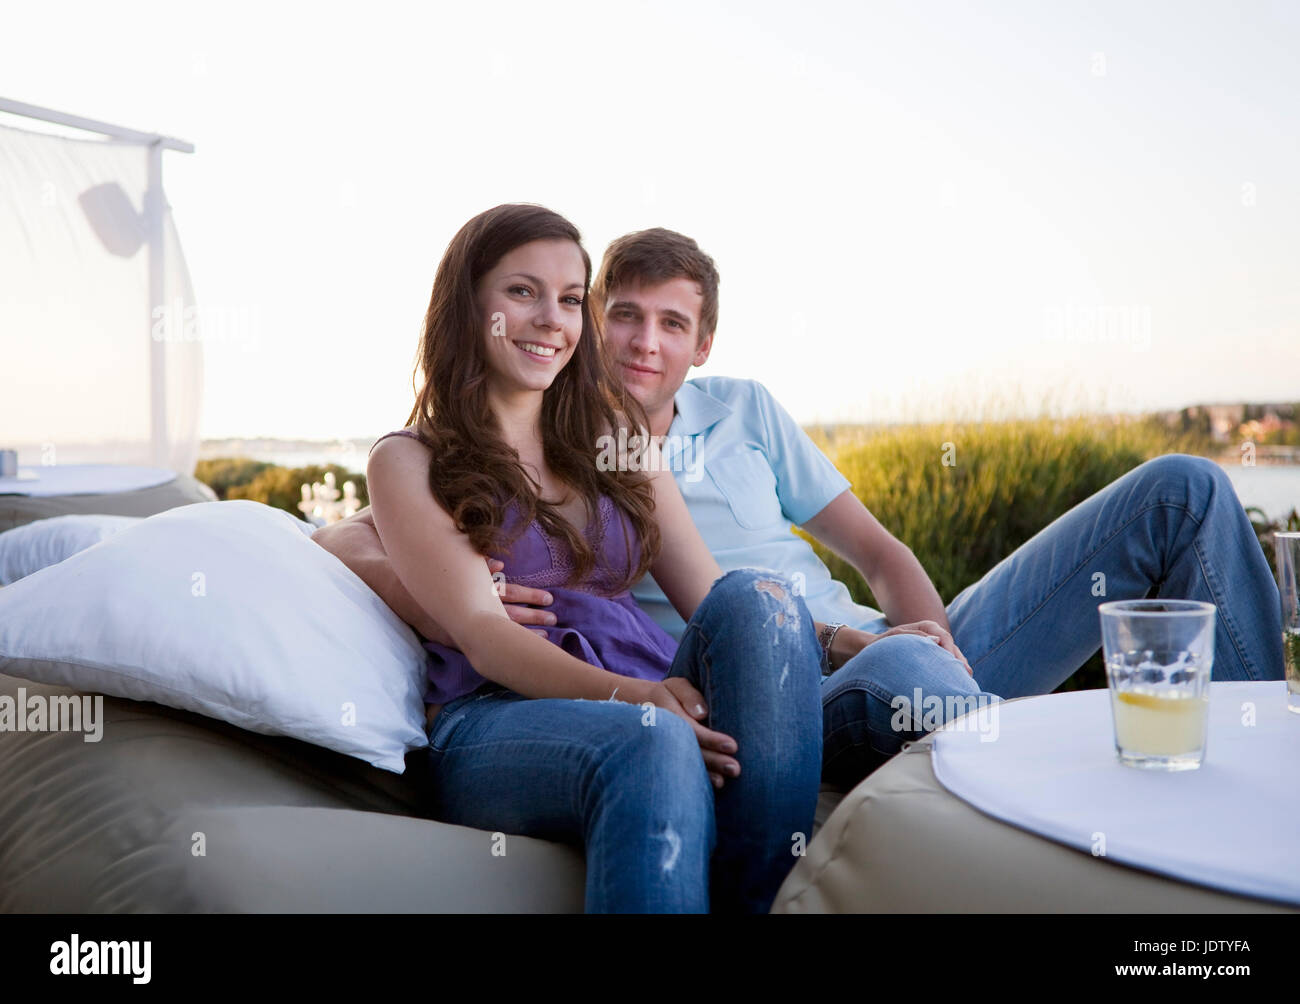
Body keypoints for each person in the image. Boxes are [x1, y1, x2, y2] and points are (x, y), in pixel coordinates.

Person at [320, 225, 1284, 793]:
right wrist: (416, 587)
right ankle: (1072, 778)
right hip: (796, 689)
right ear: (583, 322)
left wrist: (927, 633)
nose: (643, 342)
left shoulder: (744, 409)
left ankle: (1259, 759)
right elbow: (358, 530)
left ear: (703, 343)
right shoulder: (556, 458)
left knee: (1183, 487)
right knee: (859, 649)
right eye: (618, 313)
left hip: (899, 650)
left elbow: (876, 546)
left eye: (672, 324)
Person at [360, 203, 823, 914]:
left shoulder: (617, 437)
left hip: (651, 683)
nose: (552, 318)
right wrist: (639, 701)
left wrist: (834, 640)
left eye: (572, 300)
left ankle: (750, 896)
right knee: (651, 742)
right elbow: (485, 638)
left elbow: (710, 594)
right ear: (467, 304)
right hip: (498, 718)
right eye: (522, 292)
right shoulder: (408, 460)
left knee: (758, 596)